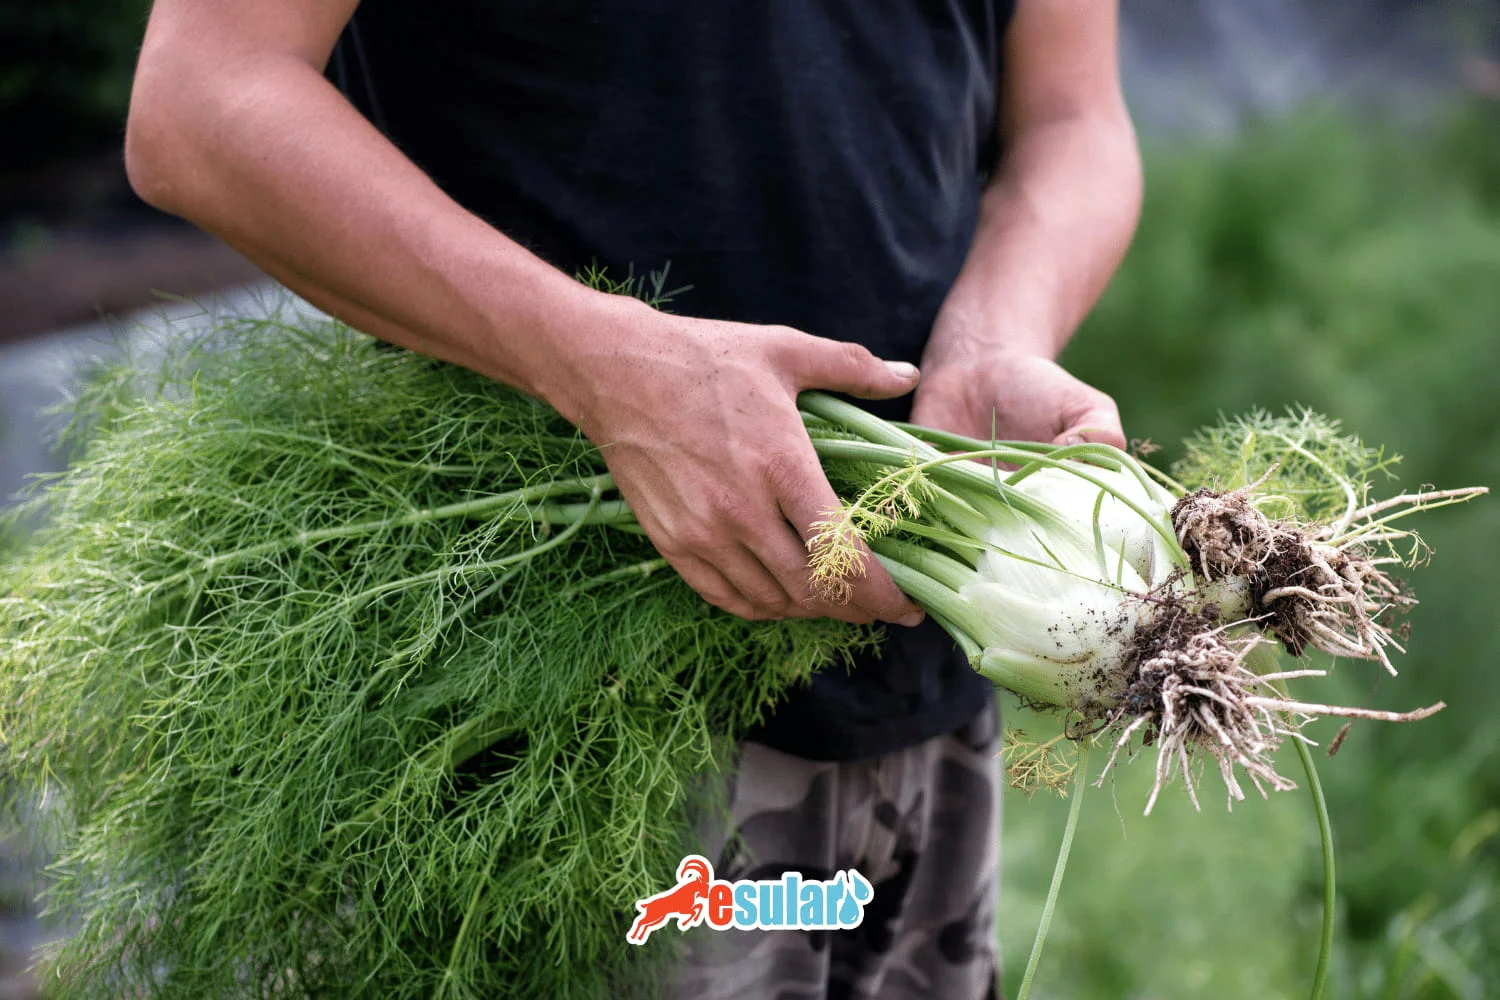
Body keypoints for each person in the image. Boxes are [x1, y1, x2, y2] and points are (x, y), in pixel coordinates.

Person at [124, 1, 1140, 996]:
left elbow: (1072, 118)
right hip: (562, 713)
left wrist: (999, 332)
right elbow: (203, 96)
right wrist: (608, 367)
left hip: (932, 668)